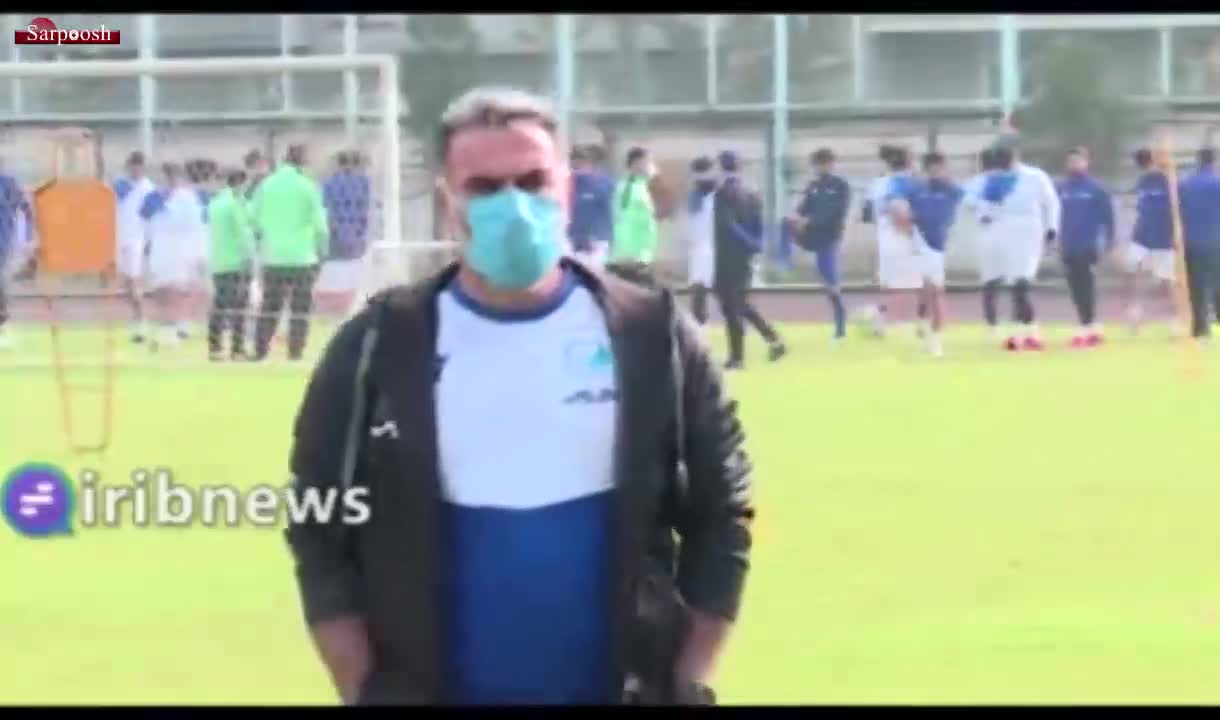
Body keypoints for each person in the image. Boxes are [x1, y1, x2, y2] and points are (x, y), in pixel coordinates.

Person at [284, 86, 753, 706]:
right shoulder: (379, 345)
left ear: (566, 189)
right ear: (448, 203)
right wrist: (364, 688)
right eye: (484, 188)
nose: (513, 205)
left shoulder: (651, 335)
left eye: (533, 182)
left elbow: (722, 514)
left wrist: (685, 681)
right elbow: (316, 521)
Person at [249, 143, 328, 362]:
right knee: (300, 308)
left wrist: (264, 239)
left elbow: (253, 220)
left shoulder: (267, 185)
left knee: (270, 305)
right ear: (303, 162)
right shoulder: (307, 186)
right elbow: (320, 225)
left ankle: (260, 349)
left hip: (273, 256)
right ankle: (295, 352)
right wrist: (322, 250)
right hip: (303, 257)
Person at [979, 144, 1060, 351]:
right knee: (1014, 285)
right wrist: (986, 216)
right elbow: (988, 206)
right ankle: (1023, 332)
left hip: (1029, 232)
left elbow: (1051, 202)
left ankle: (1031, 332)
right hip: (1006, 233)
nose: (1004, 166)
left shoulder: (1035, 176)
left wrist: (1052, 229)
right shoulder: (995, 179)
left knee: (1021, 284)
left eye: (1006, 161)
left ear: (1015, 157)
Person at [713, 150, 786, 369]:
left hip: (727, 256)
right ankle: (773, 340)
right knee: (739, 303)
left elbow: (728, 225)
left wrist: (748, 242)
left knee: (731, 305)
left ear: (721, 167)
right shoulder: (752, 194)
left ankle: (737, 357)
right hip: (745, 255)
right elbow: (758, 224)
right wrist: (755, 244)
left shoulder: (722, 194)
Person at [139, 162, 207, 351]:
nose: (171, 179)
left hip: (180, 251)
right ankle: (167, 331)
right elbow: (146, 222)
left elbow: (195, 226)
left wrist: (198, 253)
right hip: (162, 251)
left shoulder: (188, 198)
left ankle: (176, 329)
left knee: (179, 292)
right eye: (168, 175)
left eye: (174, 175)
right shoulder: (155, 197)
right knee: (163, 293)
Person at [786, 148, 850, 341]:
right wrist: (796, 218)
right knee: (783, 225)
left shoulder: (840, 186)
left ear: (831, 164)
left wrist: (809, 220)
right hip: (810, 234)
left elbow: (834, 212)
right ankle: (782, 263)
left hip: (828, 236)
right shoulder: (813, 186)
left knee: (829, 279)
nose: (820, 168)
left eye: (824, 164)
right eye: (817, 165)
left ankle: (840, 322)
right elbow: (803, 207)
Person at [1056, 147, 1115, 348]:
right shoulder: (1062, 188)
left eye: (1078, 161)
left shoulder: (1096, 188)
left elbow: (1108, 218)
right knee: (1074, 285)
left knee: (1086, 284)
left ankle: (1087, 323)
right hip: (1067, 245)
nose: (1074, 164)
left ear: (1086, 162)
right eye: (1071, 161)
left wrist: (1109, 242)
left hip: (1088, 244)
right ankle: (1088, 322)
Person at [909, 152, 965, 357]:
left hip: (937, 246)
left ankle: (935, 340)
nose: (936, 172)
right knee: (925, 290)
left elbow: (961, 195)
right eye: (932, 168)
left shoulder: (950, 190)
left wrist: (949, 180)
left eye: (939, 168)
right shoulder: (917, 190)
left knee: (936, 292)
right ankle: (923, 325)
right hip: (918, 244)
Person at [868, 145, 925, 338]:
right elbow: (900, 211)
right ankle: (921, 323)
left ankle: (879, 321)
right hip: (906, 235)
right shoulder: (907, 183)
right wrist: (910, 231)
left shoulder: (878, 183)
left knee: (890, 284)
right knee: (922, 282)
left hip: (885, 237)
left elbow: (872, 213)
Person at [1122, 147, 1178, 335]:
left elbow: (1177, 209)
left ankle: (1174, 322)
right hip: (1142, 237)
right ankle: (1135, 316)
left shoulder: (1169, 181)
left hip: (1164, 238)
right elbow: (1139, 208)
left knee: (1167, 282)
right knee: (1133, 273)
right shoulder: (1143, 182)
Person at [206, 169, 256, 362]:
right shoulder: (234, 205)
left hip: (218, 262)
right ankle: (237, 349)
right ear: (240, 184)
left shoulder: (215, 204)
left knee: (219, 305)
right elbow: (242, 233)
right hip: (236, 263)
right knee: (239, 308)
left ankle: (214, 347)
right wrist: (249, 257)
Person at [318, 150, 371, 314]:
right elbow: (366, 211)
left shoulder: (328, 184)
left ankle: (335, 307)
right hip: (357, 238)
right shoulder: (364, 183)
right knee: (355, 272)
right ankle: (353, 306)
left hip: (335, 238)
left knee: (335, 273)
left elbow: (324, 210)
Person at [113, 151, 158, 343]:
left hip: (136, 240)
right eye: (132, 165)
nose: (135, 169)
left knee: (133, 282)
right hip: (117, 239)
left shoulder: (149, 189)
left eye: (139, 166)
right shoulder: (119, 185)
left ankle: (140, 324)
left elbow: (151, 218)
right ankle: (135, 319)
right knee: (124, 285)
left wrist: (150, 241)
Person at [964, 147, 1005, 338]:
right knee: (1003, 280)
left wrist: (984, 211)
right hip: (1002, 232)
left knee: (991, 282)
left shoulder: (976, 182)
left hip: (989, 233)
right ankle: (1001, 323)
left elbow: (970, 203)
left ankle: (992, 325)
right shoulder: (1004, 180)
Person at [1180, 147, 1220, 339]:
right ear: (1214, 161)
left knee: (1196, 285)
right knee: (1217, 282)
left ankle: (1200, 327)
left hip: (1192, 240)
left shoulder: (1185, 184)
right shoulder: (1217, 183)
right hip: (1215, 240)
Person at [609, 146, 659, 283]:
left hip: (641, 257)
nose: (651, 166)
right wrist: (627, 256)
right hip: (630, 260)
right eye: (648, 162)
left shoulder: (641, 186)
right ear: (637, 163)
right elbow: (622, 221)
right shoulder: (627, 188)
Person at [0, 161, 31, 350]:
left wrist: (29, 236)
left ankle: (3, 325)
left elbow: (26, 208)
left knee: (1, 284)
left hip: (2, 242)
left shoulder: (8, 183)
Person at [568, 145, 615, 267]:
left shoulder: (603, 184)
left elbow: (610, 212)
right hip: (575, 241)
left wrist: (602, 237)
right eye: (575, 162)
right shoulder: (569, 184)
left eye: (582, 162)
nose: (578, 167)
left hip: (596, 240)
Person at [685, 155, 718, 324]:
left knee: (703, 288)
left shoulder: (713, 193)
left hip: (712, 246)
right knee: (699, 288)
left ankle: (699, 321)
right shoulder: (697, 195)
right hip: (702, 246)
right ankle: (699, 322)